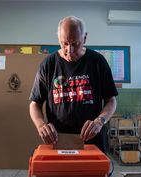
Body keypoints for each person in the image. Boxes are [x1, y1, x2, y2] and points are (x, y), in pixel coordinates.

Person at [29, 16, 118, 152]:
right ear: (58, 37)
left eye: (75, 44)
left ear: (85, 38)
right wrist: (41, 125)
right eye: (64, 43)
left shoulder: (97, 62)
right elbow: (35, 104)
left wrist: (100, 121)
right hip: (59, 140)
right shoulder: (48, 64)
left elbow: (111, 101)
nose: (69, 50)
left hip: (92, 140)